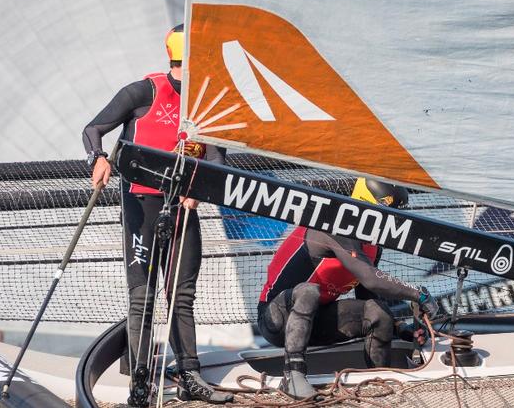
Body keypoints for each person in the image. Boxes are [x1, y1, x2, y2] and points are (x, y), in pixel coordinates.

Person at [82, 24, 233, 405]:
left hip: (183, 207)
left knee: (181, 295)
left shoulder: (206, 102)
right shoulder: (142, 92)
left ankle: (190, 375)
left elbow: (216, 155)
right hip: (141, 207)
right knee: (143, 297)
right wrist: (98, 158)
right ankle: (141, 382)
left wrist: (199, 188)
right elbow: (94, 128)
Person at [257, 178, 439, 400]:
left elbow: (368, 294)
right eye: (386, 215)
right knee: (308, 291)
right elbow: (371, 279)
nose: (390, 223)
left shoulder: (372, 243)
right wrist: (417, 294)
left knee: (377, 312)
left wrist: (401, 329)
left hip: (314, 322)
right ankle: (292, 376)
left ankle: (377, 384)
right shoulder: (333, 225)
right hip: (276, 321)